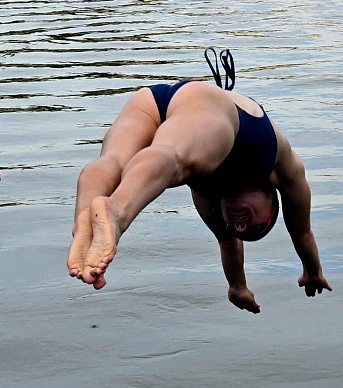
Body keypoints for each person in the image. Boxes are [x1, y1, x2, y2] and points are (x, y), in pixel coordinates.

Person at [68, 50, 329, 312]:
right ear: (272, 201)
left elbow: (228, 242)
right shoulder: (283, 170)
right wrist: (312, 270)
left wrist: (237, 287)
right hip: (216, 106)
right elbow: (301, 230)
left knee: (113, 162)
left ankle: (86, 226)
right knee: (172, 157)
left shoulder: (207, 196)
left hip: (152, 101)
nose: (239, 226)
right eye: (255, 227)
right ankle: (117, 213)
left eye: (236, 227)